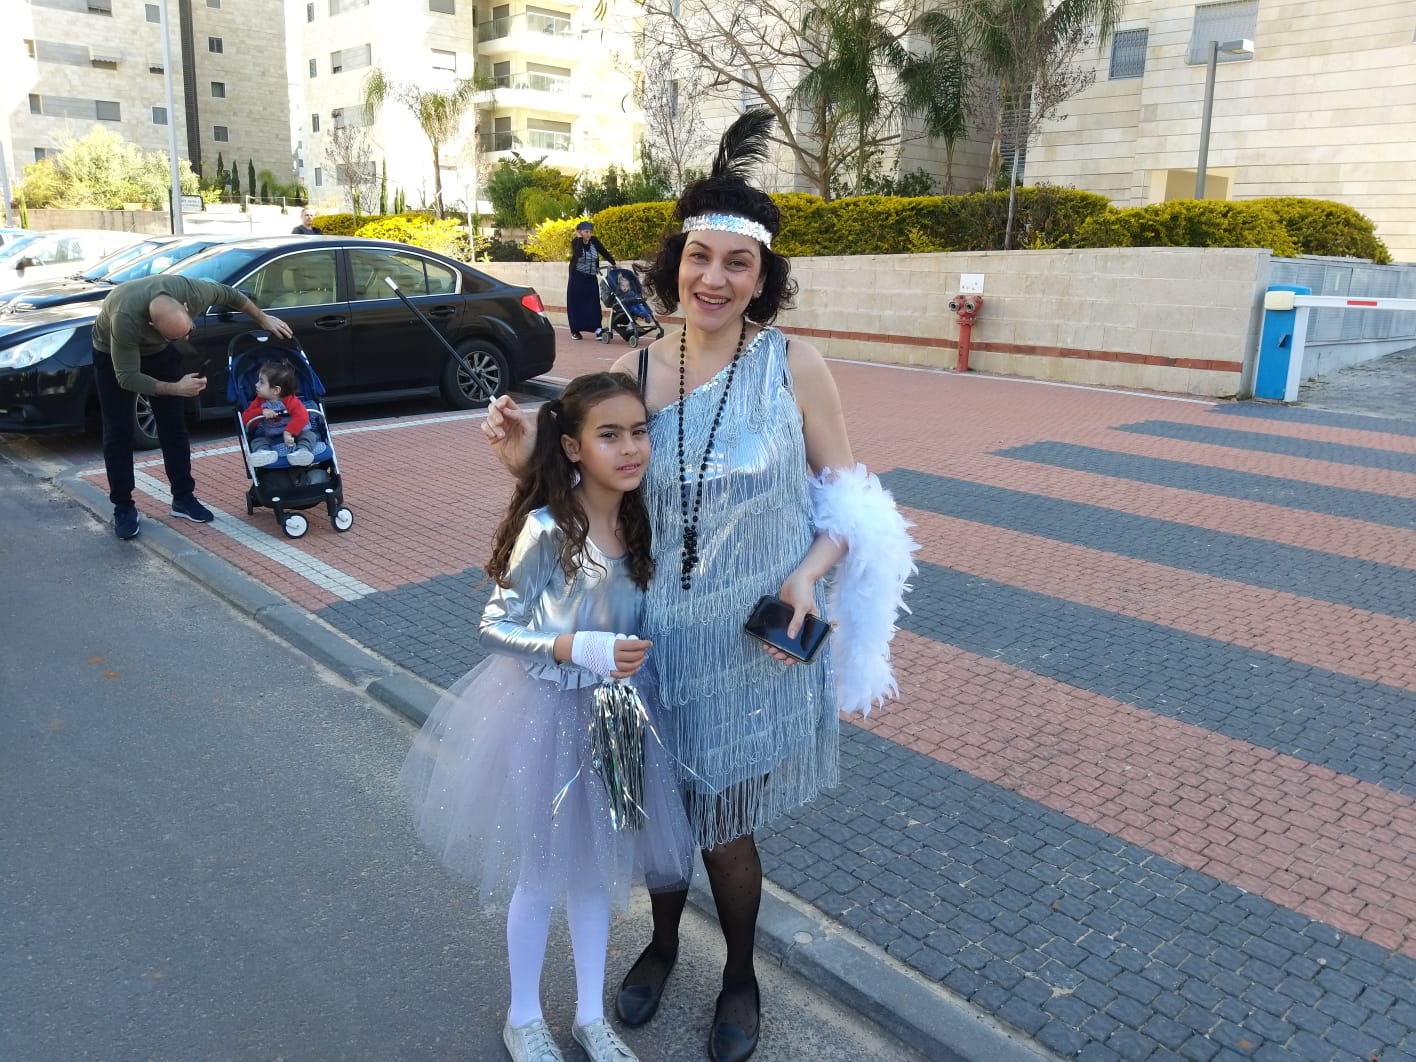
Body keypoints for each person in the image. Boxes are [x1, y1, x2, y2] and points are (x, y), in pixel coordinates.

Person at [483, 111, 916, 1062]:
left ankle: (740, 975)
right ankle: (664, 943)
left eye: (738, 264)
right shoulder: (630, 370)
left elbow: (851, 502)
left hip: (752, 644)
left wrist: (808, 575)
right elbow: (586, 494)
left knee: (724, 827)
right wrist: (524, 461)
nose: (714, 279)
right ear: (674, 262)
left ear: (763, 278)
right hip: (643, 636)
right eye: (700, 257)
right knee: (651, 811)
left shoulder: (794, 365)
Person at [403, 372, 696, 1062]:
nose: (630, 448)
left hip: (622, 717)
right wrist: (572, 646)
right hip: (548, 719)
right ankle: (524, 1015)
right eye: (609, 435)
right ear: (571, 447)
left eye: (639, 432)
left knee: (598, 872)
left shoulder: (641, 522)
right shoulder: (547, 529)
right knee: (540, 873)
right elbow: (495, 624)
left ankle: (591, 1016)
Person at [92, 273, 293, 540]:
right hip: (112, 355)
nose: (186, 338)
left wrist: (262, 318)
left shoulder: (193, 292)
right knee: (118, 432)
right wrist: (176, 388)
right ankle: (123, 506)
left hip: (159, 352)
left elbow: (231, 294)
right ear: (152, 325)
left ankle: (183, 498)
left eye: (188, 331)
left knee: (174, 427)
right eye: (179, 337)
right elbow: (127, 378)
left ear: (186, 307)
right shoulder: (125, 320)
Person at [241, 360, 321, 468]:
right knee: (257, 441)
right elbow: (245, 418)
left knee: (309, 435)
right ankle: (263, 453)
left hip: (295, 434)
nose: (256, 385)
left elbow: (302, 416)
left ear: (276, 390)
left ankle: (302, 451)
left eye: (261, 382)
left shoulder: (291, 400)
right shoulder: (259, 401)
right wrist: (261, 411)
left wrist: (289, 432)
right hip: (271, 435)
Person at [567, 220, 615, 340]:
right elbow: (578, 254)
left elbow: (604, 252)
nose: (588, 234)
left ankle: (597, 329)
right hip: (577, 278)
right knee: (576, 304)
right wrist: (579, 239)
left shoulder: (594, 241)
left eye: (590, 232)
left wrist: (614, 263)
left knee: (594, 304)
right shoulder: (575, 242)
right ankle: (575, 331)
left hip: (591, 277)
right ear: (580, 232)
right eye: (586, 232)